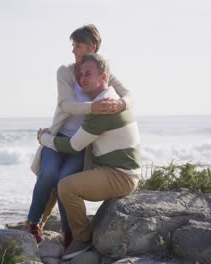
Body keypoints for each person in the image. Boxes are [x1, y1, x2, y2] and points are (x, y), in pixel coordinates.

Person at [24, 24, 134, 246]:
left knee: (66, 180)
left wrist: (120, 103)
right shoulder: (65, 71)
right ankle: (33, 223)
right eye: (73, 45)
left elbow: (130, 95)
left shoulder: (102, 71)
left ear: (92, 48)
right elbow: (65, 104)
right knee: (48, 174)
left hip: (81, 143)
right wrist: (93, 108)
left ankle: (69, 233)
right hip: (58, 137)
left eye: (79, 46)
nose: (73, 51)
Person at [38, 53, 141, 260]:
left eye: (88, 74)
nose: (82, 78)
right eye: (81, 74)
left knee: (66, 186)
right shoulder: (107, 100)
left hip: (121, 175)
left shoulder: (103, 106)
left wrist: (45, 138)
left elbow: (74, 145)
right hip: (110, 168)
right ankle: (38, 224)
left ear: (103, 78)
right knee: (56, 176)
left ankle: (82, 238)